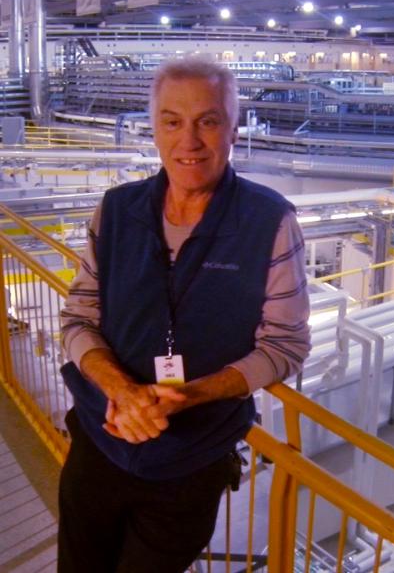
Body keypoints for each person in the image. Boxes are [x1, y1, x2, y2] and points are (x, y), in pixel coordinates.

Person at [59, 56, 311, 573]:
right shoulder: (116, 210)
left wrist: (187, 396)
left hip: (192, 462)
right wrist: (122, 392)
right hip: (99, 441)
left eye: (208, 121)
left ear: (233, 129)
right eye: (172, 121)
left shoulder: (269, 221)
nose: (189, 141)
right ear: (153, 129)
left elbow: (285, 345)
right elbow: (79, 318)